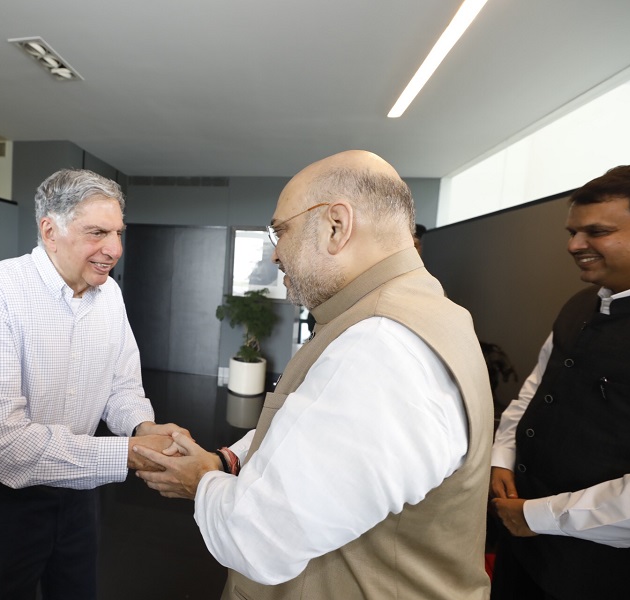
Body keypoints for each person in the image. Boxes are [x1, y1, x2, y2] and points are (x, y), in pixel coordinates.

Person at [135, 150, 494, 599]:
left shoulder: (382, 348)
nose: (275, 255)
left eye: (280, 231)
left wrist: (201, 482)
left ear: (335, 226)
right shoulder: (415, 314)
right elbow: (308, 431)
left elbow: (258, 538)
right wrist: (227, 463)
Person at [0, 168, 187, 599]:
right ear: (50, 230)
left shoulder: (109, 294)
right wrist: (127, 454)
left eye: (117, 233)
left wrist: (142, 430)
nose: (114, 249)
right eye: (97, 233)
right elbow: (0, 442)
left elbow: (122, 385)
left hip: (75, 489)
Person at [489, 164, 630, 599]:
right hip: (523, 550)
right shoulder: (581, 303)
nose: (574, 245)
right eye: (573, 231)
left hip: (604, 573)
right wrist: (502, 455)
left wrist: (541, 516)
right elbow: (536, 388)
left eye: (596, 232)